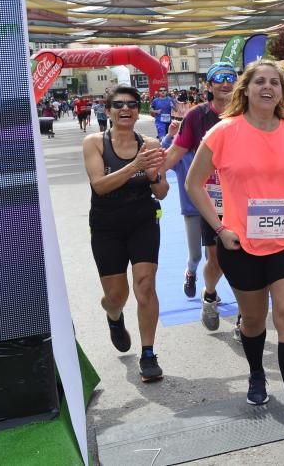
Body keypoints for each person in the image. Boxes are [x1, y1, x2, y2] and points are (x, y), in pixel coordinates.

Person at [186, 59, 284, 445]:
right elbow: (195, 184)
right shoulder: (223, 132)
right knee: (253, 321)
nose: (268, 87)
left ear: (282, 91)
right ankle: (256, 371)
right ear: (245, 89)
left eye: (275, 83)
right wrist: (219, 228)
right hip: (240, 244)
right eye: (259, 81)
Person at [83, 85, 169, 382]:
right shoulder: (94, 143)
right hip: (107, 225)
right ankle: (114, 316)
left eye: (131, 104)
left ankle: (148, 354)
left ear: (137, 111)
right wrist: (136, 165)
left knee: (145, 286)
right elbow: (100, 186)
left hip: (143, 220)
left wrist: (154, 174)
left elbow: (162, 191)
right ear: (107, 111)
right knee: (116, 295)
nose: (125, 109)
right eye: (118, 104)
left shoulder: (150, 143)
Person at [160, 62, 238, 328]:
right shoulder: (197, 116)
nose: (226, 83)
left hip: (247, 199)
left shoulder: (249, 113)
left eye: (231, 78)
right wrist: (147, 175)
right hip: (211, 201)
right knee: (213, 259)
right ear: (209, 85)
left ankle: (244, 318)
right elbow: (174, 153)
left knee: (248, 260)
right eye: (219, 79)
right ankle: (210, 294)